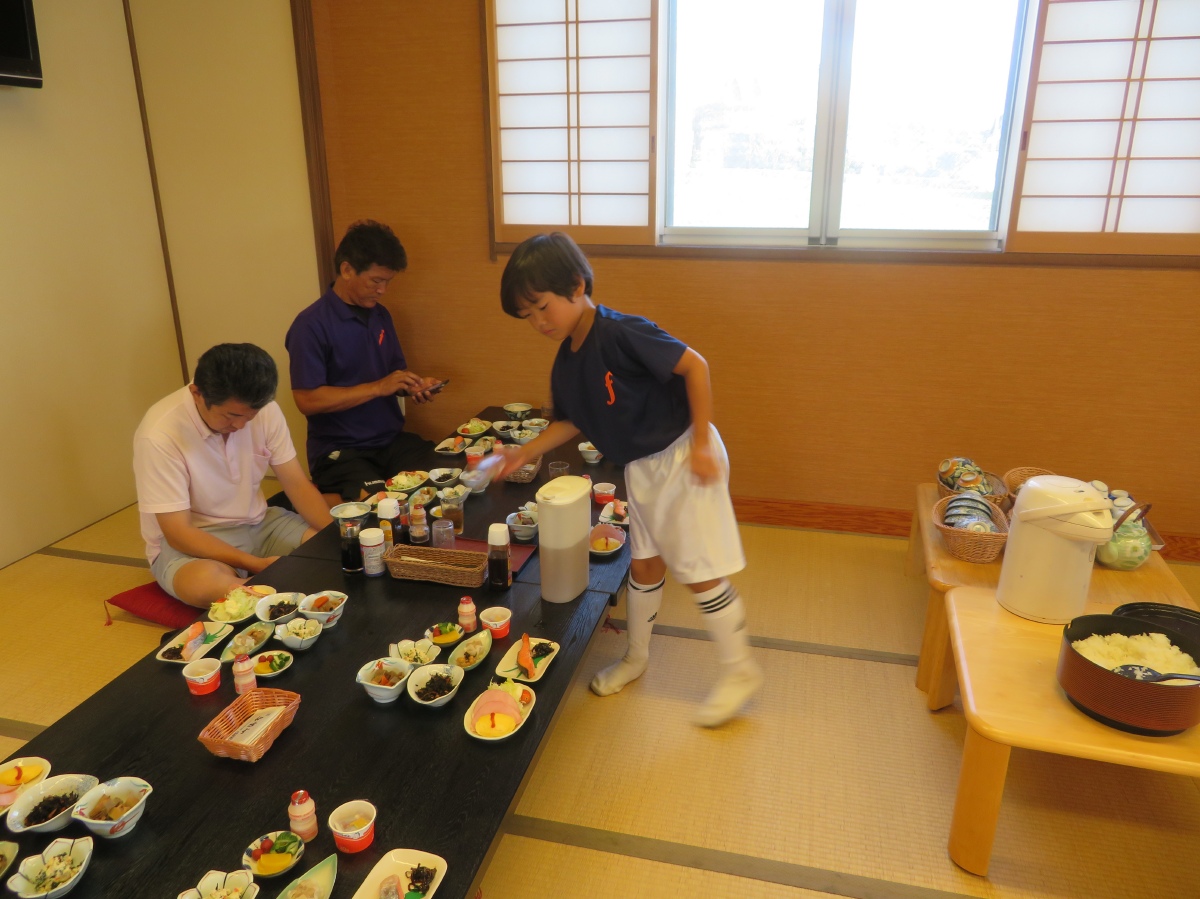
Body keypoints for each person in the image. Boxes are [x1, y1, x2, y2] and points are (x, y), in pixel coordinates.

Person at [495, 232, 762, 727]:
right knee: (643, 564)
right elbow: (571, 420)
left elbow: (695, 366)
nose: (538, 322)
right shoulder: (567, 361)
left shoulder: (621, 332)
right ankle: (636, 657)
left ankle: (740, 669)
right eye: (527, 316)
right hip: (642, 467)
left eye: (542, 307)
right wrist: (524, 452)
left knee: (698, 569)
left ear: (577, 286)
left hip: (683, 453)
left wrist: (703, 444)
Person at [134, 343, 333, 607]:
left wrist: (337, 537)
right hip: (196, 540)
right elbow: (178, 532)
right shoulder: (160, 434)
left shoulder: (264, 409)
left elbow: (296, 484)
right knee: (205, 585)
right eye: (231, 416)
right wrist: (256, 564)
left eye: (250, 417)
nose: (240, 425)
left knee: (333, 553)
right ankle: (263, 594)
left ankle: (267, 590)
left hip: (262, 525)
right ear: (197, 394)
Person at [285, 220, 442, 505]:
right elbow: (307, 400)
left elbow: (393, 375)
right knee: (383, 508)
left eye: (388, 282)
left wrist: (412, 385)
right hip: (341, 451)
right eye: (376, 281)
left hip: (389, 441)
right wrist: (378, 387)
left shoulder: (381, 315)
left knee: (444, 476)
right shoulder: (310, 325)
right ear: (347, 270)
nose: (382, 290)